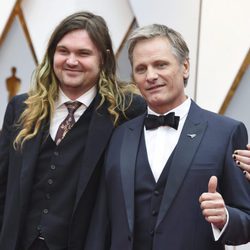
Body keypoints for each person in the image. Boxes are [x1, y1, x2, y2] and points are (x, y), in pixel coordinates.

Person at [85, 24, 250, 250]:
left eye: (160, 65)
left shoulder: (227, 132)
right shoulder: (119, 135)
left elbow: (246, 220)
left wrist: (225, 217)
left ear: (185, 67)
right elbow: (101, 222)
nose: (151, 76)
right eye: (141, 68)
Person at [0, 11, 146, 250]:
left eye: (83, 53)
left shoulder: (127, 111)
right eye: (63, 51)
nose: (71, 61)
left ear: (103, 58)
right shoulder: (21, 108)